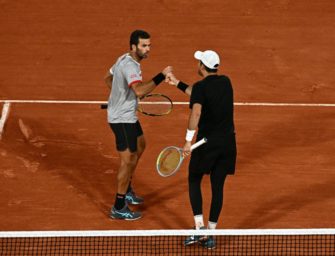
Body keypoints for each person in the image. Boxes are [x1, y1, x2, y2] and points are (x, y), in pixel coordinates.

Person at [166, 50, 237, 249]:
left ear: (202, 66)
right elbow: (201, 94)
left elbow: (197, 110)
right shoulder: (226, 82)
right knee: (218, 187)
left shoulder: (200, 87)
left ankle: (199, 230)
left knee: (194, 179)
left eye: (198, 62)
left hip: (207, 145)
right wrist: (177, 83)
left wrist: (188, 141)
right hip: (228, 144)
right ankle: (211, 234)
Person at [104, 30, 172, 220]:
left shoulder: (123, 59)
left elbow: (108, 79)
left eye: (149, 45)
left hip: (127, 115)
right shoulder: (131, 68)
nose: (147, 49)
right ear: (133, 47)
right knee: (128, 161)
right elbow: (140, 91)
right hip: (121, 119)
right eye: (144, 45)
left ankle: (127, 189)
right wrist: (161, 76)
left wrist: (120, 97)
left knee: (141, 144)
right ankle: (119, 206)